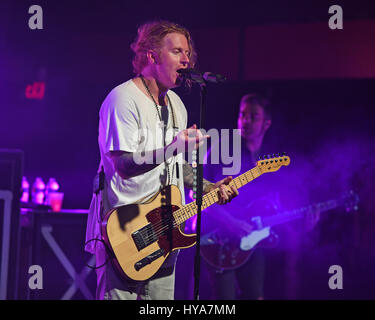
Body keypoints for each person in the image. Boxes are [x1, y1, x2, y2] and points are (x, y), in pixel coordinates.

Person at [84, 20, 238, 300]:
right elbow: (124, 165)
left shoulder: (177, 104)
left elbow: (180, 169)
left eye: (188, 53)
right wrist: (173, 147)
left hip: (165, 234)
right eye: (177, 51)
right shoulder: (123, 98)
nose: (186, 59)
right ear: (152, 56)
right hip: (124, 234)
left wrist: (210, 188)